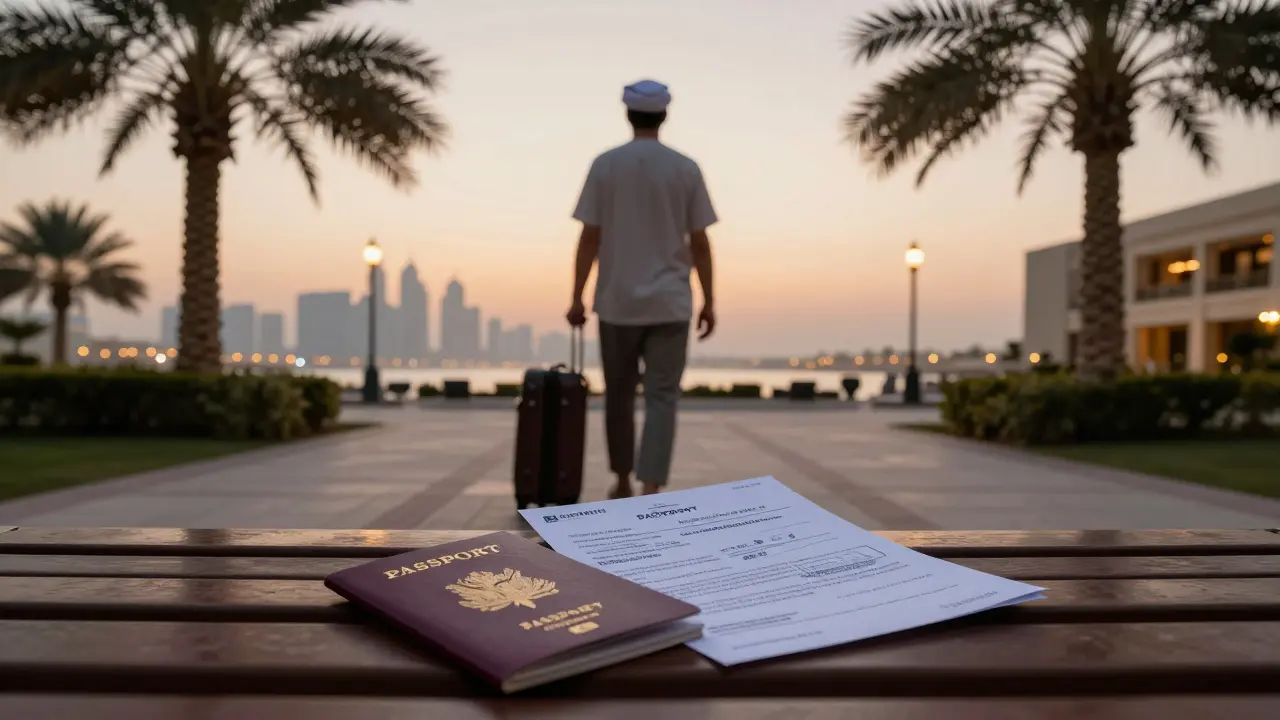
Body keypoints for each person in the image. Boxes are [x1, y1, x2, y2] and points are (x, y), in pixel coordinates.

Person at [566, 79, 718, 499]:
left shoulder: (605, 165)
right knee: (662, 397)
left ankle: (621, 479)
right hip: (671, 303)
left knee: (618, 395)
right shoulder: (685, 168)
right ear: (664, 115)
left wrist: (577, 296)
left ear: (627, 114)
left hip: (617, 302)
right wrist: (709, 301)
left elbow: (590, 237)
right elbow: (700, 242)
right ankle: (651, 484)